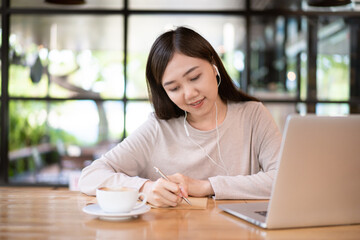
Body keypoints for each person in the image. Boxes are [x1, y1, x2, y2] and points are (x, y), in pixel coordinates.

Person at [78, 26, 282, 207]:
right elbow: (89, 177)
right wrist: (144, 188)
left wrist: (206, 186)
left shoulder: (253, 115)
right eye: (174, 88)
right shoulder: (158, 129)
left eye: (195, 77)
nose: (189, 94)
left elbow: (282, 180)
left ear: (213, 65)